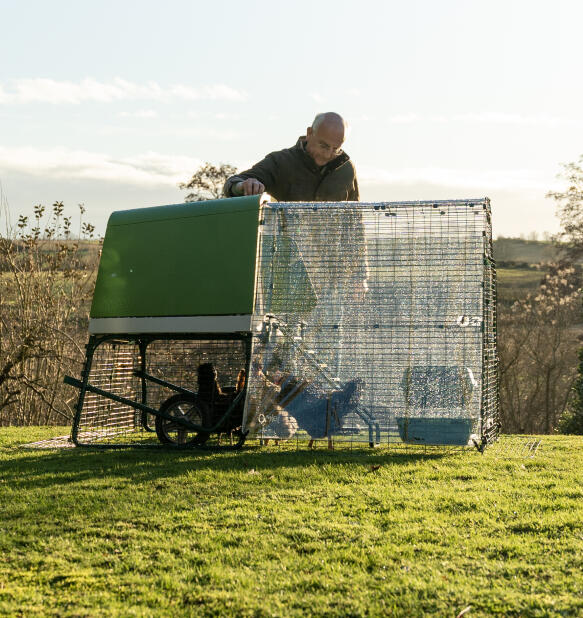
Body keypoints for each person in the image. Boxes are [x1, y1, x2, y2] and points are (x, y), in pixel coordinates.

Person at [223, 112, 359, 202]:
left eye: (336, 149)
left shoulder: (347, 170)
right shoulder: (280, 162)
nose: (328, 154)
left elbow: (356, 219)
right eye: (323, 146)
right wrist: (243, 185)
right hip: (283, 245)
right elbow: (232, 183)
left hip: (330, 247)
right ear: (309, 133)